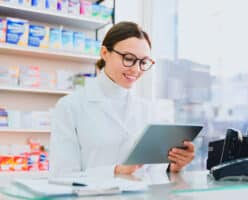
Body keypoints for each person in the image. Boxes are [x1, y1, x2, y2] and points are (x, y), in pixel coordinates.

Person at [50, 21, 195, 178]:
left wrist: (174, 167)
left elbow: (152, 174)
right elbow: (62, 175)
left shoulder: (147, 109)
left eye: (143, 62)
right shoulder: (70, 106)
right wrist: (116, 171)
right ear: (105, 53)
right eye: (128, 58)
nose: (136, 69)